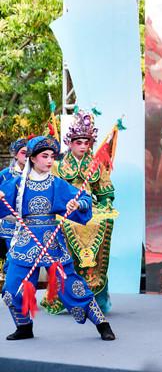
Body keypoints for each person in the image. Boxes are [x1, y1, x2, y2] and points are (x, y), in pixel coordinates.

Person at [0, 136, 115, 340]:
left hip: (51, 240)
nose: (49, 161)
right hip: (26, 240)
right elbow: (3, 200)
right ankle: (24, 327)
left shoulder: (56, 183)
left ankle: (102, 324)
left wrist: (77, 204)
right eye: (44, 156)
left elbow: (84, 198)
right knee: (12, 287)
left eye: (52, 157)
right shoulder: (18, 184)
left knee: (71, 286)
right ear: (32, 158)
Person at [41, 109, 116, 314]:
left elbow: (105, 193)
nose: (83, 146)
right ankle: (62, 298)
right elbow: (52, 193)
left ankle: (96, 296)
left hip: (89, 211)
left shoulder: (96, 166)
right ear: (70, 143)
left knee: (103, 224)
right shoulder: (58, 166)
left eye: (86, 142)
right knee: (63, 248)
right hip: (64, 212)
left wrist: (106, 202)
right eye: (78, 142)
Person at [0, 138, 28, 277]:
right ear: (15, 155)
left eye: (29, 153)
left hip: (28, 223)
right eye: (23, 152)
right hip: (10, 222)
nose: (26, 156)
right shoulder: (5, 175)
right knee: (11, 256)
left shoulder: (34, 175)